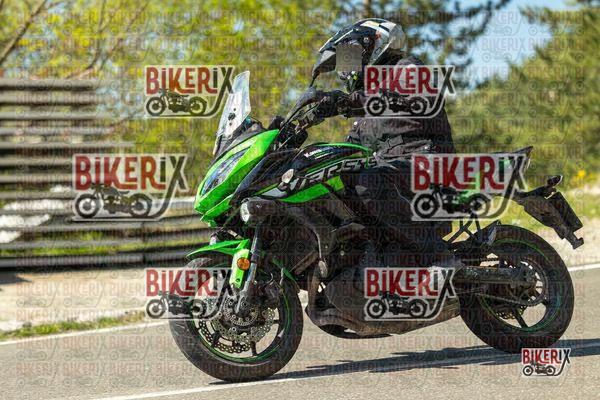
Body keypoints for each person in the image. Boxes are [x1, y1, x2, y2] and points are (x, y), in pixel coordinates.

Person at [309, 18, 459, 268]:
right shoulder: (367, 113)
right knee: (334, 183)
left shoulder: (406, 68)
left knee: (367, 181)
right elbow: (348, 150)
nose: (346, 69)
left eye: (349, 58)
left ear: (374, 45)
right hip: (393, 170)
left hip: (427, 164)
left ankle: (439, 257)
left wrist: (346, 101)